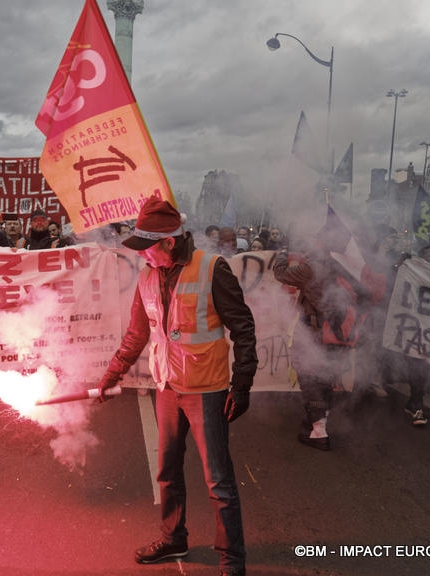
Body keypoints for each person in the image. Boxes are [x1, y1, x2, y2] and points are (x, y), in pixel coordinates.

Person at [97, 196, 257, 576]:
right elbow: (138, 333)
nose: (143, 257)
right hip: (167, 386)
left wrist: (243, 384)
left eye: (148, 249)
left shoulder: (212, 269)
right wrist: (113, 373)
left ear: (169, 242)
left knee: (218, 480)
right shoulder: (148, 275)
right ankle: (174, 539)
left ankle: (232, 560)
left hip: (206, 390)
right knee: (167, 470)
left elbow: (243, 328)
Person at [273, 231, 373, 450]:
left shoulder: (314, 266)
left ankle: (318, 432)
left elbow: (281, 274)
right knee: (328, 377)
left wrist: (281, 253)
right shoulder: (352, 267)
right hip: (343, 333)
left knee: (309, 377)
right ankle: (316, 423)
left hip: (316, 332)